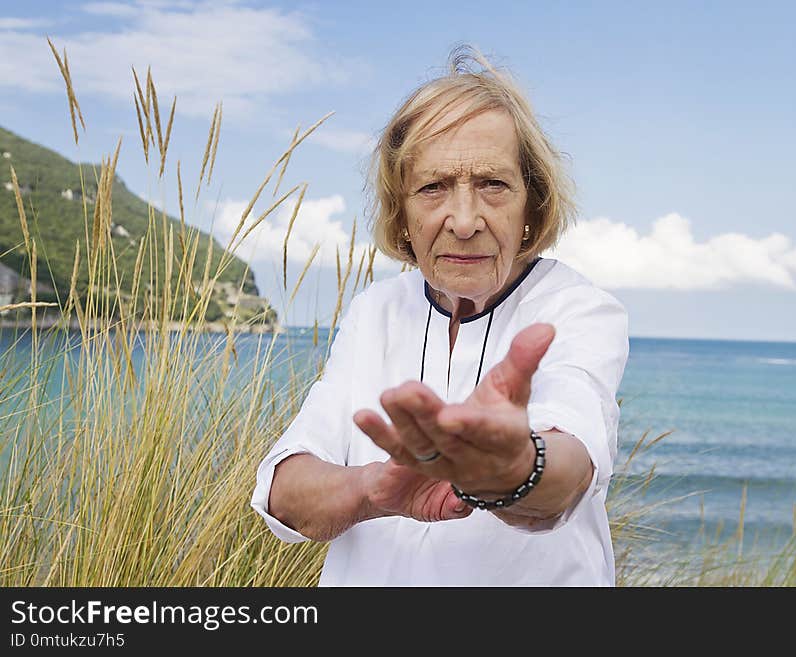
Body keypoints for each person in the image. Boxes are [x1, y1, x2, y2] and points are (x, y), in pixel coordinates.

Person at [251, 47, 629, 586]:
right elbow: (285, 490)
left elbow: (569, 468)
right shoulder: (374, 312)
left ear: (533, 203)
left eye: (493, 185)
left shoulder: (576, 308)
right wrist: (372, 488)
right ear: (401, 214)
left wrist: (513, 468)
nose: (466, 220)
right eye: (433, 187)